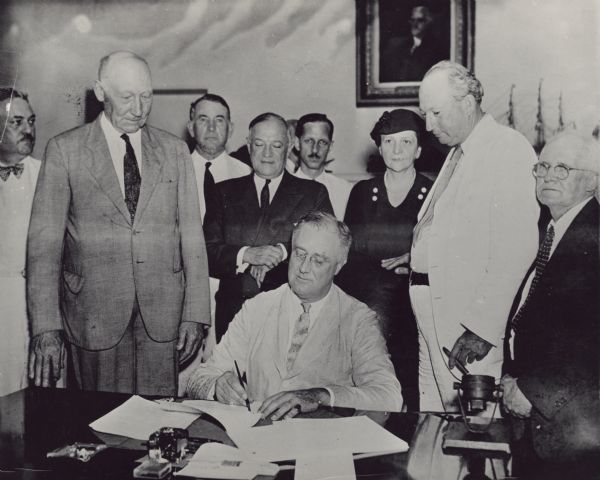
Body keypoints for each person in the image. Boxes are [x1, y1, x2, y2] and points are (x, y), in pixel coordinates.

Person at [26, 51, 210, 396]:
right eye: (126, 97)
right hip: (92, 317)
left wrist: (195, 313)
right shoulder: (64, 151)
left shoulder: (174, 152)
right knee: (100, 431)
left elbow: (192, 238)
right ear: (100, 92)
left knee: (159, 427)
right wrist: (46, 328)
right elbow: (43, 248)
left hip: (163, 316)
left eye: (146, 96)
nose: (138, 108)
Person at [411, 61, 539, 411]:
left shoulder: (507, 149)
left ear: (468, 103)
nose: (428, 125)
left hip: (467, 328)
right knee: (435, 424)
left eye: (436, 112)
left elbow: (517, 247)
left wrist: (482, 328)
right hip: (436, 318)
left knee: (477, 433)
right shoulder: (457, 152)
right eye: (425, 114)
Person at [187, 212, 403, 417]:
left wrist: (320, 396)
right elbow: (199, 377)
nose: (303, 268)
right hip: (257, 439)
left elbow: (389, 396)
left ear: (339, 266)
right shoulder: (257, 308)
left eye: (318, 260)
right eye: (300, 254)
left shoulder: (358, 319)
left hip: (321, 445)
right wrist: (217, 386)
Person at [501, 132, 600, 478]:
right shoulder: (553, 232)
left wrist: (534, 391)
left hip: (574, 428)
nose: (547, 177)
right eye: (542, 167)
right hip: (539, 422)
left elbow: (591, 341)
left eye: (562, 168)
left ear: (592, 180)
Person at [203, 112, 333, 341]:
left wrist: (279, 253)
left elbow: (327, 247)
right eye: (260, 144)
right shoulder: (222, 191)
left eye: (276, 145)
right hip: (235, 314)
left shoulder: (313, 193)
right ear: (248, 144)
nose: (267, 154)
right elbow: (206, 251)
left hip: (292, 313)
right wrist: (248, 255)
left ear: (290, 146)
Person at [338, 109, 432, 411]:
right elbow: (349, 252)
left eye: (406, 142)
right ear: (379, 148)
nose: (397, 150)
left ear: (419, 150)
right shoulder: (363, 192)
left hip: (414, 307)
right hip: (367, 301)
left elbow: (445, 250)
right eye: (389, 142)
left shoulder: (433, 194)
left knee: (408, 391)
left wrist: (416, 258)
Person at [0, 88, 39, 396]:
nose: (28, 130)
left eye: (31, 120)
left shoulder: (49, 173)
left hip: (36, 302)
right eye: (16, 122)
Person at [187, 93, 251, 221]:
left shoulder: (246, 174)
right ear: (191, 128)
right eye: (203, 119)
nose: (211, 128)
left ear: (230, 129)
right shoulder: (175, 173)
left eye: (219, 120)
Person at [290, 113, 352, 220]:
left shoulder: (345, 190)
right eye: (308, 141)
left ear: (330, 146)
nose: (315, 149)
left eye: (322, 142)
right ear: (297, 143)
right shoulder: (284, 188)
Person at [380, 5, 447, 83]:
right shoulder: (397, 45)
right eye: (412, 20)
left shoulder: (437, 48)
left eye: (420, 20)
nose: (415, 24)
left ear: (428, 22)